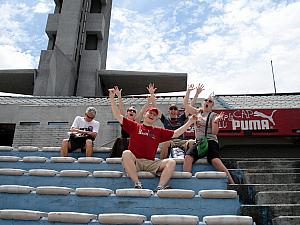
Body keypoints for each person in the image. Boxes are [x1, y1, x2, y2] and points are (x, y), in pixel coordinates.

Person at [109, 88, 196, 190]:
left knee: (171, 162)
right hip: (135, 161)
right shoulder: (135, 126)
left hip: (151, 163)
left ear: (156, 119)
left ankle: (160, 187)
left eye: (154, 115)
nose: (152, 115)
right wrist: (111, 98)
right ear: (144, 115)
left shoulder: (158, 131)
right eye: (150, 113)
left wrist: (189, 122)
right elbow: (118, 115)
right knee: (126, 153)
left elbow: (176, 133)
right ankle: (137, 183)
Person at [183, 88, 235, 184]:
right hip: (199, 142)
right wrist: (189, 91)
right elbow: (185, 104)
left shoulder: (213, 115)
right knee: (188, 157)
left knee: (215, 160)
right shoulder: (197, 112)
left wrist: (216, 122)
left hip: (211, 141)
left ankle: (231, 182)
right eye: (206, 100)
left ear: (212, 105)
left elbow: (215, 132)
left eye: (210, 101)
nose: (207, 102)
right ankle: (187, 182)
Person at [154, 84, 205, 159]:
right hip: (170, 142)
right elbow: (156, 108)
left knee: (192, 142)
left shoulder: (181, 118)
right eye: (171, 109)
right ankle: (162, 163)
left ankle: (191, 162)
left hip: (181, 142)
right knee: (165, 143)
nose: (173, 110)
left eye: (175, 109)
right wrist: (152, 95)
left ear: (177, 111)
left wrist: (195, 93)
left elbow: (190, 105)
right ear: (169, 111)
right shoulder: (165, 119)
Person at [109, 85, 155, 157]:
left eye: (133, 111)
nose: (132, 111)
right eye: (130, 110)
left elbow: (142, 111)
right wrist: (119, 96)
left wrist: (149, 101)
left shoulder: (136, 121)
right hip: (123, 143)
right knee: (121, 141)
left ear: (135, 114)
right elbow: (120, 108)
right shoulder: (124, 120)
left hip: (133, 143)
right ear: (127, 113)